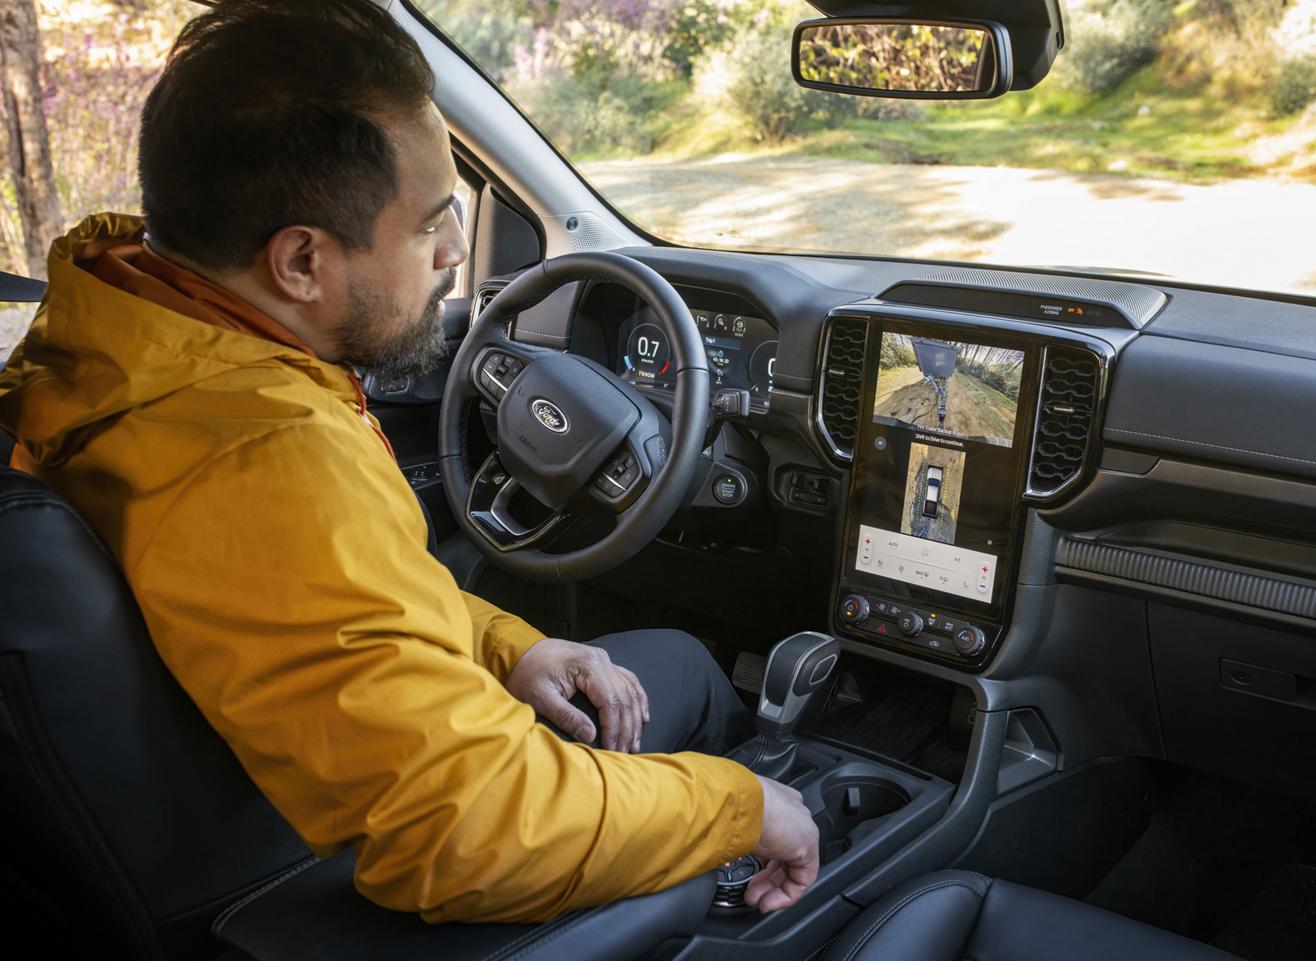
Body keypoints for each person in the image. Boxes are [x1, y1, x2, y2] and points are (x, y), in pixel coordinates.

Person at [0, 0, 817, 924]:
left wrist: (509, 645)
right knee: (691, 674)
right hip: (309, 867)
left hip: (246, 789)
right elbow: (464, 827)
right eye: (432, 221)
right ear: (301, 260)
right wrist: (739, 807)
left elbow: (326, 600)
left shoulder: (119, 343)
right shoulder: (266, 457)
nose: (456, 250)